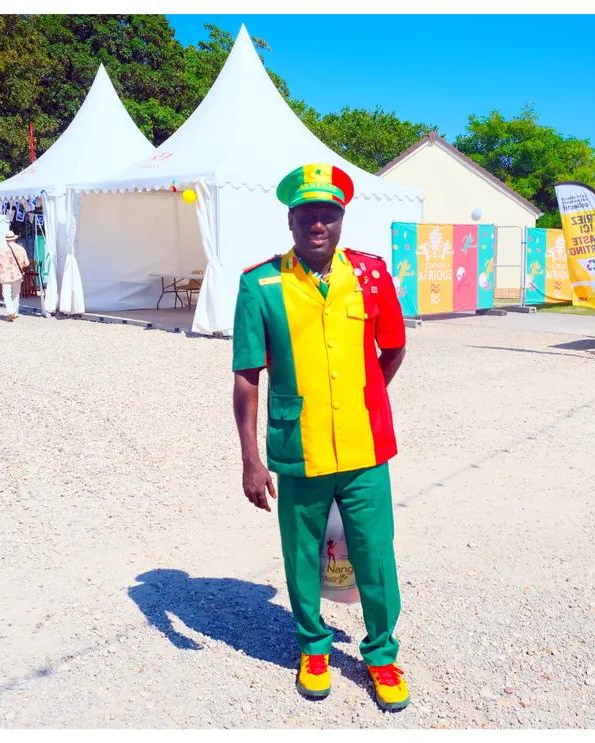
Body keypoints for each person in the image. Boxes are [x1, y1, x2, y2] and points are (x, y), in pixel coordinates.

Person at [231, 163, 410, 711]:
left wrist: (367, 396)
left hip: (365, 447)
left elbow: (394, 346)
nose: (318, 223)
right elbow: (246, 373)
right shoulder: (259, 284)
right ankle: (313, 646)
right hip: (297, 447)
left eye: (327, 213)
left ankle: (380, 655)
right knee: (301, 552)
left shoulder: (373, 276)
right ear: (291, 219)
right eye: (307, 212)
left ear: (340, 219)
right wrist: (250, 460)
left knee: (375, 553)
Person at [0, 230, 29, 322]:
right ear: (14, 239)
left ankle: (11, 312)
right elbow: (27, 263)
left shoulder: (2, 249)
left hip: (5, 274)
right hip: (18, 274)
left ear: (6, 240)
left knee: (6, 294)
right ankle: (15, 312)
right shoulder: (21, 249)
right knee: (16, 294)